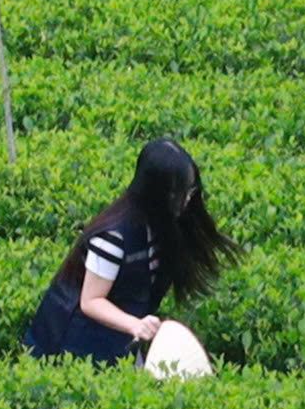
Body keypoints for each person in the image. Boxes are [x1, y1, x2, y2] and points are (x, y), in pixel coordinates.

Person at [25, 138, 238, 365]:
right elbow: (91, 301)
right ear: (157, 193)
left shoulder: (161, 227)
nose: (187, 199)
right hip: (72, 347)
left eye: (190, 191)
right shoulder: (114, 236)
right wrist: (134, 325)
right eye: (181, 193)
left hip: (118, 342)